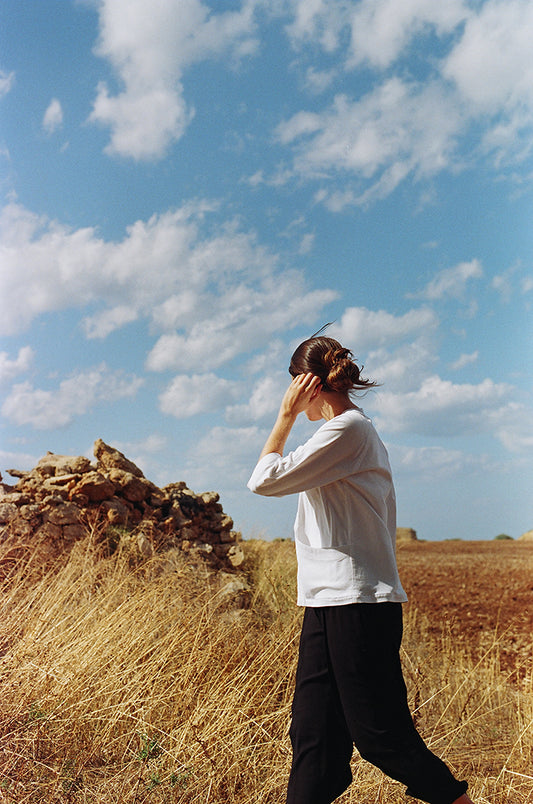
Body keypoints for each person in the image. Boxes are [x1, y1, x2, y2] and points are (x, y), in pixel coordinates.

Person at [247, 334, 474, 804]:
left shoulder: (347, 431)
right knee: (314, 736)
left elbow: (263, 481)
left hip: (358, 601)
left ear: (305, 384)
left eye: (292, 387)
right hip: (326, 599)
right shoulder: (338, 434)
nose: (289, 397)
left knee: (381, 737)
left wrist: (285, 418)